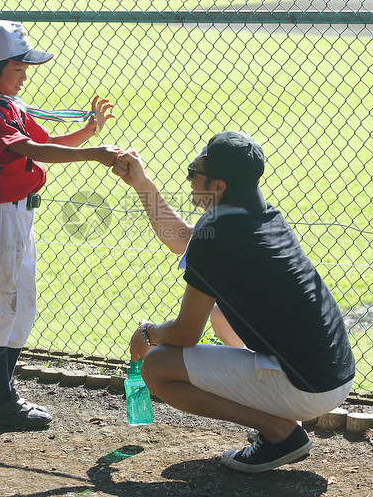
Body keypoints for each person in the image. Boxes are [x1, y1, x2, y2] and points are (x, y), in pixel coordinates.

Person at [112, 131, 355, 473]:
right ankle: (280, 418)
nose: (189, 180)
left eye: (192, 172)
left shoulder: (218, 239)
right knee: (219, 312)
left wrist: (148, 334)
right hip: (331, 373)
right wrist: (141, 183)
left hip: (307, 387)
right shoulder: (260, 216)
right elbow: (184, 241)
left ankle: (279, 431)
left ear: (218, 187)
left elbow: (184, 335)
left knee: (157, 367)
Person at [0, 20, 121, 430]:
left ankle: (1, 391)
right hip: (0, 218)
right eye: (17, 69)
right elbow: (35, 150)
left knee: (23, 305)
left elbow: (49, 141)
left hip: (21, 216)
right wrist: (96, 154)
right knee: (2, 307)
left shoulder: (10, 108)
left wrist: (89, 132)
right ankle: (1, 400)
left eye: (24, 70)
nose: (24, 77)